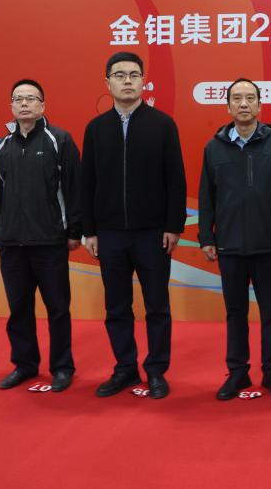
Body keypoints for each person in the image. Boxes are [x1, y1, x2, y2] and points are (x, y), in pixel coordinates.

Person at [81, 52, 187, 400]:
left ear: (143, 81)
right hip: (110, 234)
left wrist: (173, 226)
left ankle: (156, 370)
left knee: (157, 306)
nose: (127, 81)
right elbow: (87, 182)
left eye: (134, 75)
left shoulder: (162, 125)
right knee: (116, 307)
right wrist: (90, 230)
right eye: (120, 75)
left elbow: (176, 180)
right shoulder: (96, 129)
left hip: (153, 234)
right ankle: (125, 368)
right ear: (107, 82)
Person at [198, 77, 271, 401]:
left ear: (260, 105)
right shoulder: (214, 147)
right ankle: (238, 371)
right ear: (228, 106)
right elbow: (206, 197)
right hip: (229, 244)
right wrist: (206, 236)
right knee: (235, 312)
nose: (244, 104)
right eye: (237, 99)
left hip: (269, 244)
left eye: (250, 98)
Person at [0, 80, 81, 392]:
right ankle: (25, 365)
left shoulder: (59, 140)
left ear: (43, 105)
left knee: (58, 309)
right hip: (12, 244)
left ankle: (62, 367)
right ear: (11, 106)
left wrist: (74, 231)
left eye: (31, 98)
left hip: (50, 242)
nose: (24, 104)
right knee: (19, 310)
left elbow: (74, 188)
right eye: (18, 99)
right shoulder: (1, 146)